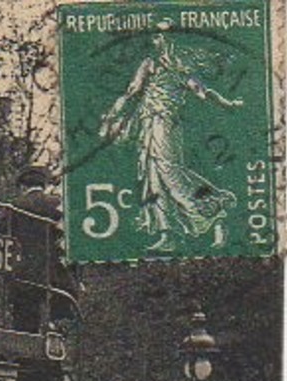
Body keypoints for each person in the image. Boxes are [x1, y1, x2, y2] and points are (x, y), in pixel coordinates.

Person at [99, 24, 243, 249]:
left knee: (170, 172)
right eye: (156, 36)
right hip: (148, 124)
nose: (156, 41)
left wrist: (228, 103)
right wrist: (112, 114)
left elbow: (203, 92)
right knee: (153, 175)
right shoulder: (149, 64)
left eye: (159, 36)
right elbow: (132, 90)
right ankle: (169, 233)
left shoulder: (180, 68)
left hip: (165, 124)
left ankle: (213, 211)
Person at [6, 164, 79, 332]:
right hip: (59, 278)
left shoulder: (16, 205)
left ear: (22, 186)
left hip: (26, 278)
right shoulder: (60, 205)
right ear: (44, 185)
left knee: (25, 329)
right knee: (61, 328)